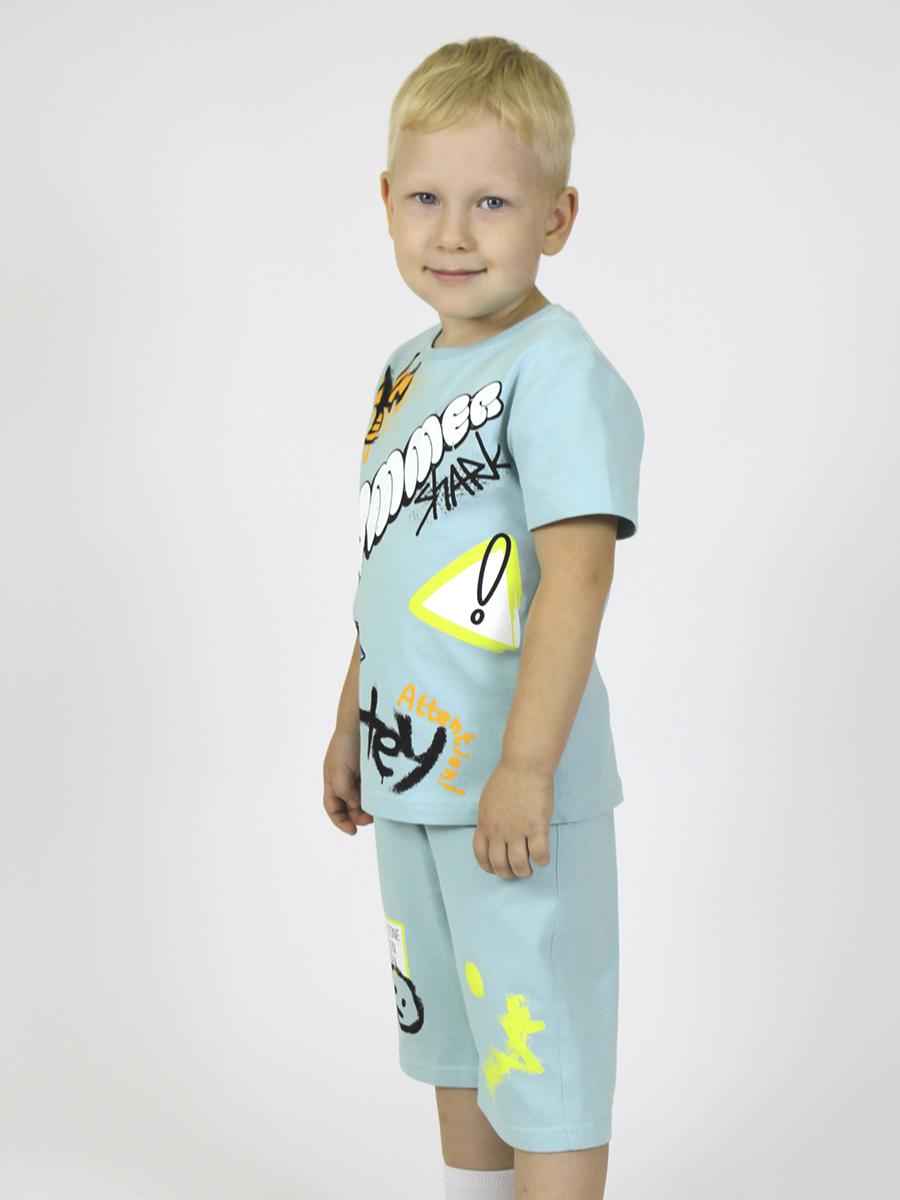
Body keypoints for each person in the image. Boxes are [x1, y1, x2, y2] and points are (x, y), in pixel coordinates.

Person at [323, 35, 645, 1200]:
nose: (453, 232)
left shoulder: (557, 369)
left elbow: (577, 579)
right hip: (416, 781)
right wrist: (350, 720)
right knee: (457, 1043)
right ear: (386, 201)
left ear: (557, 217)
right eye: (427, 198)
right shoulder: (405, 371)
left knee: (538, 1051)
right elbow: (391, 567)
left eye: (492, 203)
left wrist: (526, 767)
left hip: (516, 792)